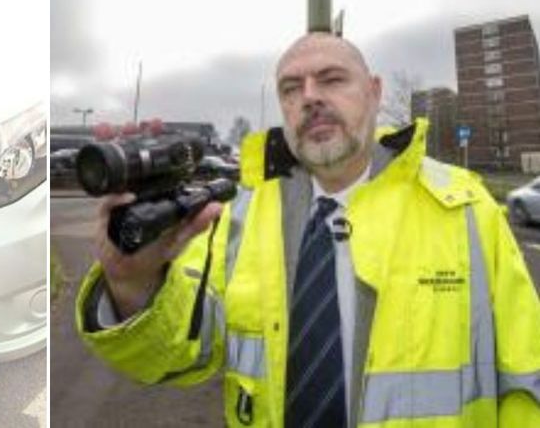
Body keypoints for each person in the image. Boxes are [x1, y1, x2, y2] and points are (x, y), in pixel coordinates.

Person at [75, 32, 540, 427]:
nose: (310, 96)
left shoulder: (463, 205)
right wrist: (132, 282)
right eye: (291, 89)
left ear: (375, 92)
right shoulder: (235, 213)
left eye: (333, 79)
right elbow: (176, 353)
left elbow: (527, 376)